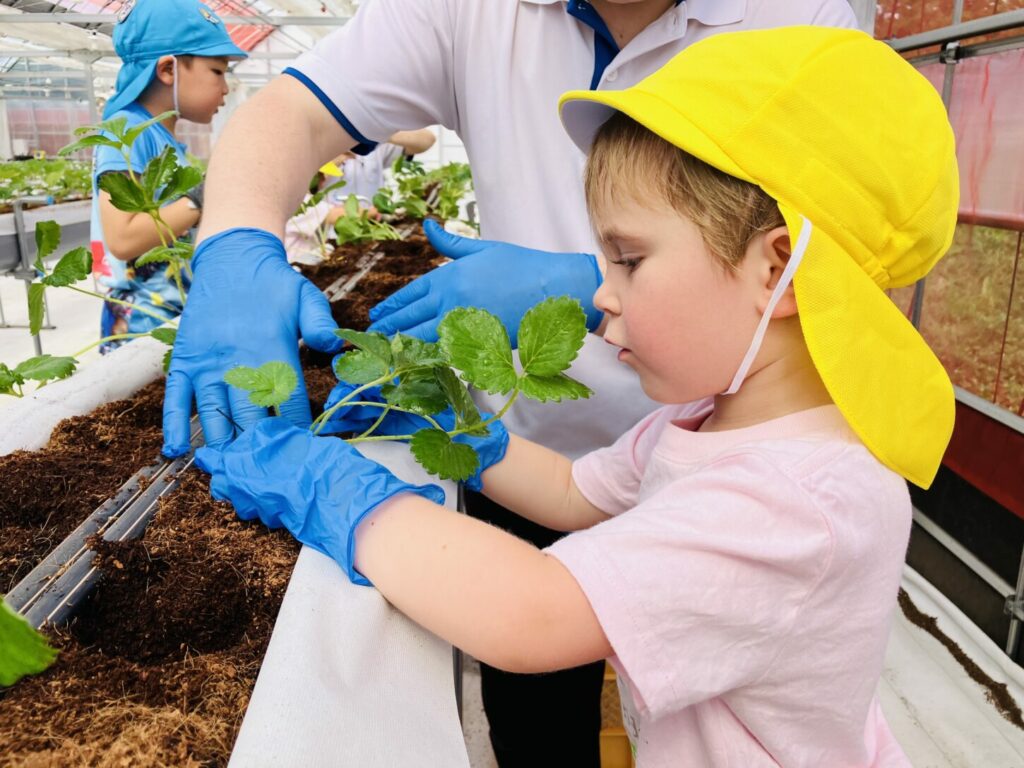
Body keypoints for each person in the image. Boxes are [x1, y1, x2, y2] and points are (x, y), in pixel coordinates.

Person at [195, 26, 957, 767]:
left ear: (778, 269)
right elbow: (574, 492)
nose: (600, 295)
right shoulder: (709, 419)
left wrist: (343, 496)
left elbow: (533, 613)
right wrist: (459, 429)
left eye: (628, 260)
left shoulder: (798, 507)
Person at [89, 0, 245, 353]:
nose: (225, 88)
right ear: (168, 69)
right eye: (217, 71)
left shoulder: (162, 139)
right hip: (144, 326)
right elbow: (123, 239)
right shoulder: (126, 133)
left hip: (174, 315)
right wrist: (200, 199)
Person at [285, 129, 436, 265]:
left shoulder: (375, 141)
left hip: (368, 240)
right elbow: (298, 197)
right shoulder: (306, 142)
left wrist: (379, 130)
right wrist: (327, 163)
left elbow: (427, 140)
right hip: (319, 246)